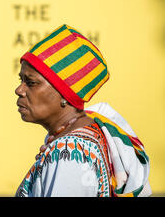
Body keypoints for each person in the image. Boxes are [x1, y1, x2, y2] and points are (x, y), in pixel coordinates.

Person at [14, 24, 151, 197]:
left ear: (65, 93)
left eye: (31, 82)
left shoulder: (69, 153)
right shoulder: (86, 134)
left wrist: (59, 159)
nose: (19, 90)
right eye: (21, 80)